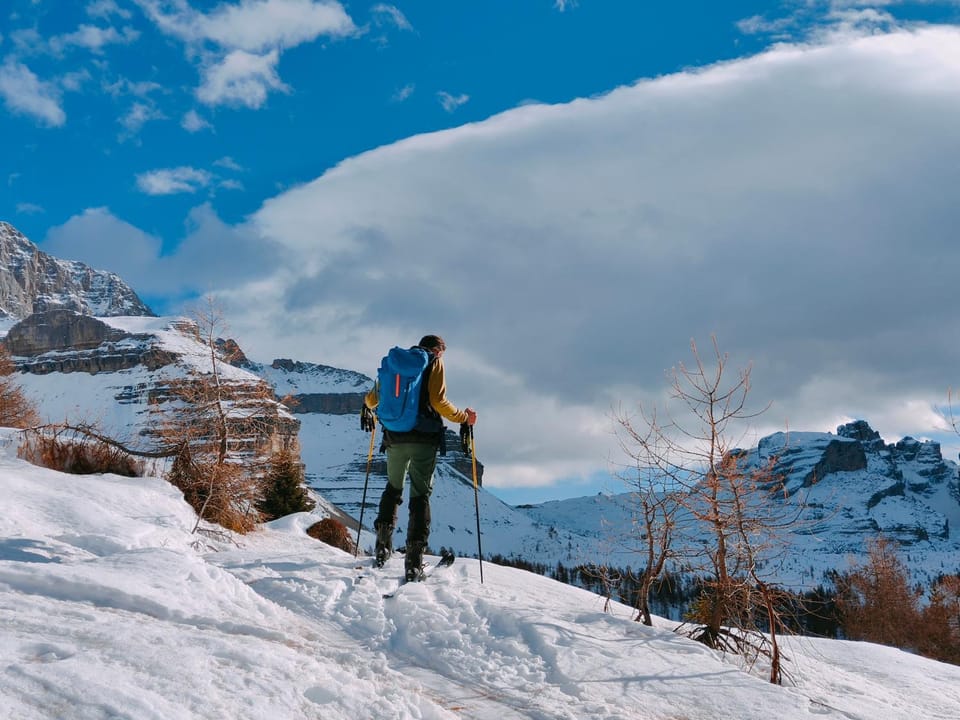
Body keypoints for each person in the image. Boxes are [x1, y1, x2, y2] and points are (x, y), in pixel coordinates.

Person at [364, 334, 477, 581]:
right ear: (438, 351)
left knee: (393, 488)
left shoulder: (394, 362)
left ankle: (383, 547)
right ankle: (413, 562)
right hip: (424, 438)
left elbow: (371, 399)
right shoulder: (433, 362)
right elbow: (438, 400)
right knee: (420, 495)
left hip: (394, 437)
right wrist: (462, 417)